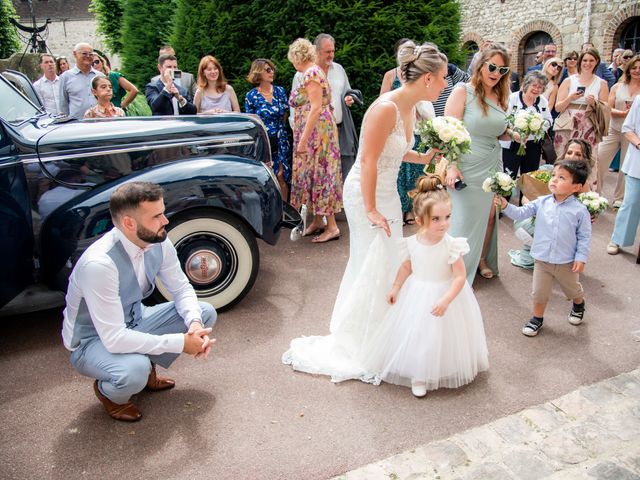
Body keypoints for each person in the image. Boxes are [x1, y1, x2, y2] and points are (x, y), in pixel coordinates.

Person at [282, 41, 448, 383]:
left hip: (386, 192)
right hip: (365, 194)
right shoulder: (385, 107)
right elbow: (369, 159)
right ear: (428, 78)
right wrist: (371, 209)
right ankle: (363, 341)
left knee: (384, 261)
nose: (446, 85)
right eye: (443, 78)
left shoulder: (409, 107)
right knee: (374, 259)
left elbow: (395, 152)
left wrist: (425, 156)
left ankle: (380, 333)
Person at [61, 182, 217, 421]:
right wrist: (180, 343)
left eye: (163, 212)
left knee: (204, 312)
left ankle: (146, 366)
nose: (165, 220)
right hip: (92, 341)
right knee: (134, 370)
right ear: (129, 223)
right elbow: (113, 338)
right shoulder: (99, 264)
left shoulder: (158, 240)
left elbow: (181, 287)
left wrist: (194, 325)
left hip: (134, 320)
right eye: (156, 216)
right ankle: (110, 394)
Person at [370, 174, 488, 398]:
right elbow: (407, 267)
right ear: (419, 220)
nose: (444, 223)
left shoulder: (452, 245)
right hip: (417, 294)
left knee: (444, 335)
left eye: (447, 217)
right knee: (418, 333)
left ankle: (446, 365)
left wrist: (446, 299)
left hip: (446, 294)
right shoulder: (412, 243)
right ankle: (420, 374)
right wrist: (395, 287)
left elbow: (460, 277)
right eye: (436, 219)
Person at [496, 160, 592, 337]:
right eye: (553, 175)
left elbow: (584, 237)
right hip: (541, 259)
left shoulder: (580, 211)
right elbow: (520, 213)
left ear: (576, 187)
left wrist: (581, 257)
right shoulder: (542, 202)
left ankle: (579, 303)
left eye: (561, 177)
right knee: (539, 292)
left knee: (572, 289)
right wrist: (505, 205)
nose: (554, 180)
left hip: (566, 261)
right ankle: (537, 318)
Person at [444, 43, 515, 283]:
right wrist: (452, 166)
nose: (496, 73)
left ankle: (482, 259)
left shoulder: (500, 96)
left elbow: (498, 133)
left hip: (492, 162)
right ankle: (458, 271)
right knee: (463, 217)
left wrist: (514, 135)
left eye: (502, 70)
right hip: (465, 162)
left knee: (489, 216)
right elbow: (450, 131)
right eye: (492, 67)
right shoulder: (463, 91)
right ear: (481, 65)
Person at [287, 38, 343, 243]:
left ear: (297, 57)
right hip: (319, 132)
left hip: (317, 135)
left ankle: (333, 227)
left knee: (322, 174)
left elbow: (316, 108)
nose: (292, 64)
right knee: (316, 174)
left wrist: (302, 141)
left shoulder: (311, 73)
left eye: (293, 59)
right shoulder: (314, 72)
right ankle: (318, 220)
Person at [291, 34, 359, 178]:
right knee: (320, 175)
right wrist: (300, 134)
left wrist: (348, 98)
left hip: (338, 129)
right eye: (328, 52)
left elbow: (347, 90)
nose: (331, 55)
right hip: (312, 134)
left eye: (333, 51)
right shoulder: (301, 74)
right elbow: (295, 107)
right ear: (316, 51)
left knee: (342, 172)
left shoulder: (339, 69)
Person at [554, 48, 609, 177]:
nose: (587, 63)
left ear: (596, 62)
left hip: (589, 125)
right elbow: (557, 107)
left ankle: (585, 191)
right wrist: (570, 98)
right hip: (567, 125)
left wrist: (595, 103)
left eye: (591, 60)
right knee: (565, 156)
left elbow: (606, 107)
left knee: (587, 158)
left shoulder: (601, 83)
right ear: (580, 62)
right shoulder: (569, 81)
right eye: (585, 60)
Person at [501, 71, 553, 203]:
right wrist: (515, 131)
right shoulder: (512, 98)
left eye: (540, 87)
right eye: (534, 85)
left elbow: (549, 120)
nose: (536, 89)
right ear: (526, 84)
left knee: (529, 176)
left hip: (533, 145)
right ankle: (502, 204)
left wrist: (538, 126)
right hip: (512, 143)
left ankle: (524, 206)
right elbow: (504, 119)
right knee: (508, 175)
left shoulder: (542, 102)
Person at [597, 55, 640, 209]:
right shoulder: (617, 86)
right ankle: (596, 194)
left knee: (624, 166)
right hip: (614, 128)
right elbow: (608, 107)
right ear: (629, 69)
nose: (637, 71)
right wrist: (622, 114)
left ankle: (619, 198)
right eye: (634, 67)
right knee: (600, 158)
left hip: (633, 133)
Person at [245, 58, 291, 198]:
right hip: (263, 141)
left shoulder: (279, 91)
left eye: (272, 69)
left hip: (280, 139)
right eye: (267, 70)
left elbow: (284, 114)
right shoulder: (251, 96)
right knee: (266, 177)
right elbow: (251, 121)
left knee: (281, 175)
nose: (271, 72)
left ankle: (284, 211)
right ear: (258, 72)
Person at [607, 96, 640, 256]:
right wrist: (639, 144)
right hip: (637, 163)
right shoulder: (639, 100)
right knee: (631, 202)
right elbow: (627, 128)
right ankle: (618, 239)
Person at [58, 42, 103, 119]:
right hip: (77, 124)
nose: (88, 56)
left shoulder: (100, 76)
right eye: (84, 54)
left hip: (99, 122)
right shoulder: (66, 77)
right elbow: (63, 104)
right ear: (75, 54)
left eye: (91, 54)